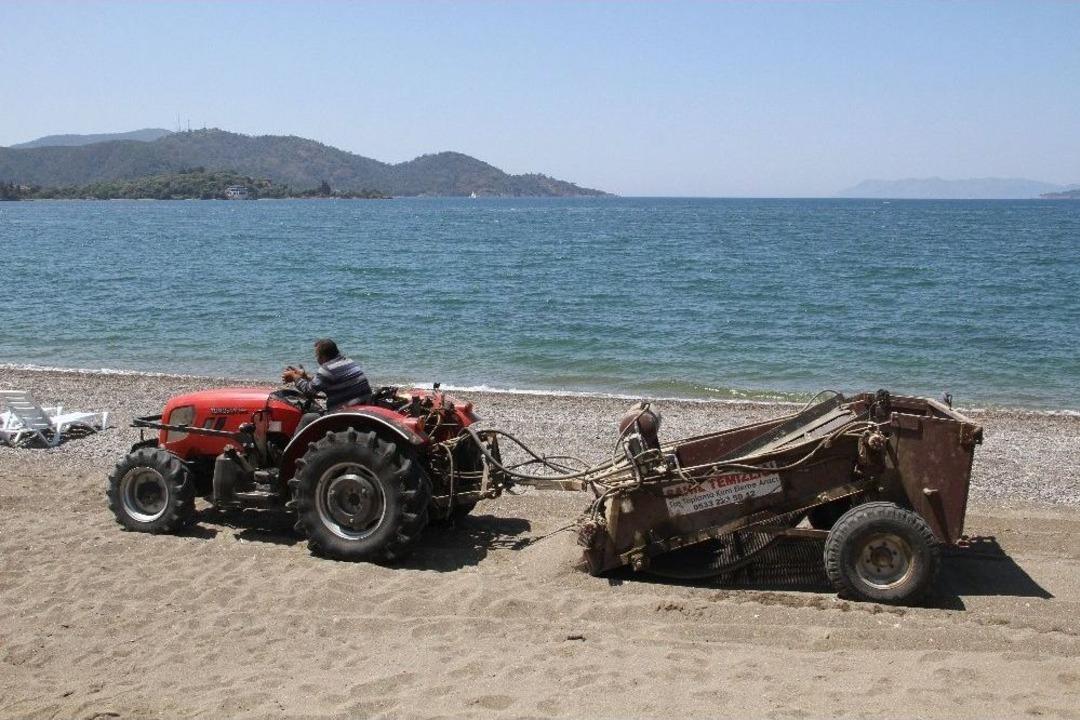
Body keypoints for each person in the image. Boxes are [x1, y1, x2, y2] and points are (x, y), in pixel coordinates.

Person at [282, 338, 372, 412]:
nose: (316, 359)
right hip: (365, 406)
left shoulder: (327, 369)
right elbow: (328, 382)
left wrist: (294, 377)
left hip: (346, 411)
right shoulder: (348, 361)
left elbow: (309, 391)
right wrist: (305, 377)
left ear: (323, 357)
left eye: (317, 356)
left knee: (307, 418)